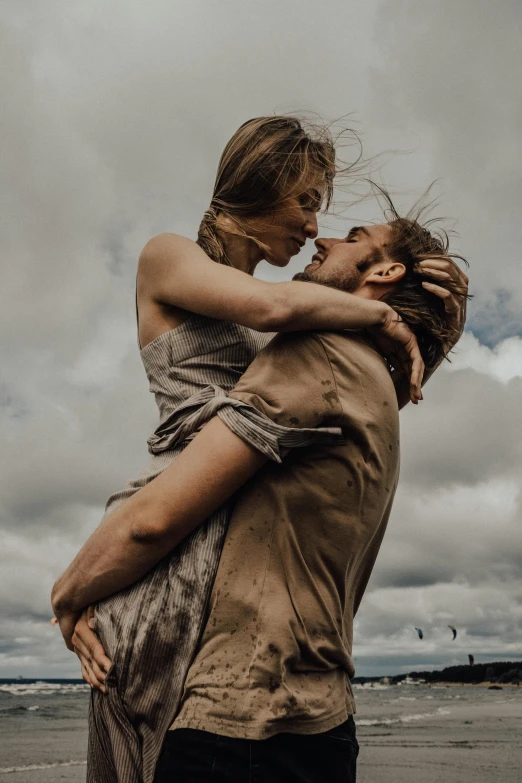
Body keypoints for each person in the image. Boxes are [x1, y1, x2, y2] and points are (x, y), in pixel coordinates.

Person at [52, 115, 433, 782]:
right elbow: (269, 308)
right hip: (175, 524)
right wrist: (381, 315)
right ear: (263, 182)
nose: (315, 226)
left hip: (220, 527)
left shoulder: (300, 327)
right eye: (307, 200)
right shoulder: (168, 256)